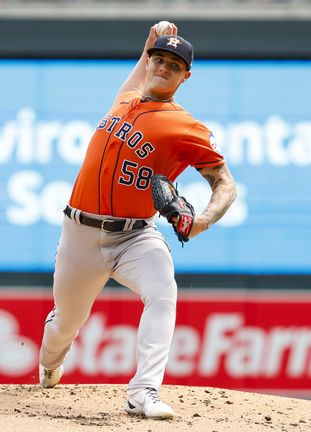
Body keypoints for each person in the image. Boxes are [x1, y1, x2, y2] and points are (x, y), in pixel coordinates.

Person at [38, 22, 237, 419]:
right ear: (149, 62)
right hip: (80, 231)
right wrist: (146, 48)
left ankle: (143, 391)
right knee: (66, 323)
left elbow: (226, 185)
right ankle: (49, 364)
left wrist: (202, 222)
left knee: (163, 290)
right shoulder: (124, 99)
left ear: (186, 75)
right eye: (159, 59)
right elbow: (139, 72)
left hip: (135, 235)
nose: (164, 67)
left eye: (174, 64)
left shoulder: (187, 126)